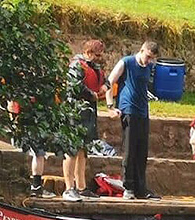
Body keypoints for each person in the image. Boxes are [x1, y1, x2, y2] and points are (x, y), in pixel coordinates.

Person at [64, 39, 120, 201]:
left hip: (89, 114)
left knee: (83, 151)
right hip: (75, 113)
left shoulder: (94, 66)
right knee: (72, 150)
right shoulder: (76, 65)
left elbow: (105, 81)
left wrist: (104, 88)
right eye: (97, 55)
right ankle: (69, 188)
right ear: (88, 52)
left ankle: (81, 187)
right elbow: (74, 86)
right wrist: (92, 95)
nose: (99, 58)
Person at [105, 41, 161, 200]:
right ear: (142, 50)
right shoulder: (127, 62)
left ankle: (141, 188)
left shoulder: (149, 67)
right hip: (128, 110)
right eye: (147, 57)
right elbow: (110, 81)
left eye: (152, 59)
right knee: (129, 150)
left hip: (143, 111)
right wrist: (110, 106)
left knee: (141, 151)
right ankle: (128, 187)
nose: (148, 61)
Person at [7, 100, 55, 198]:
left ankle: (35, 186)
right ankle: (36, 186)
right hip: (32, 117)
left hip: (22, 116)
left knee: (32, 151)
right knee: (39, 153)